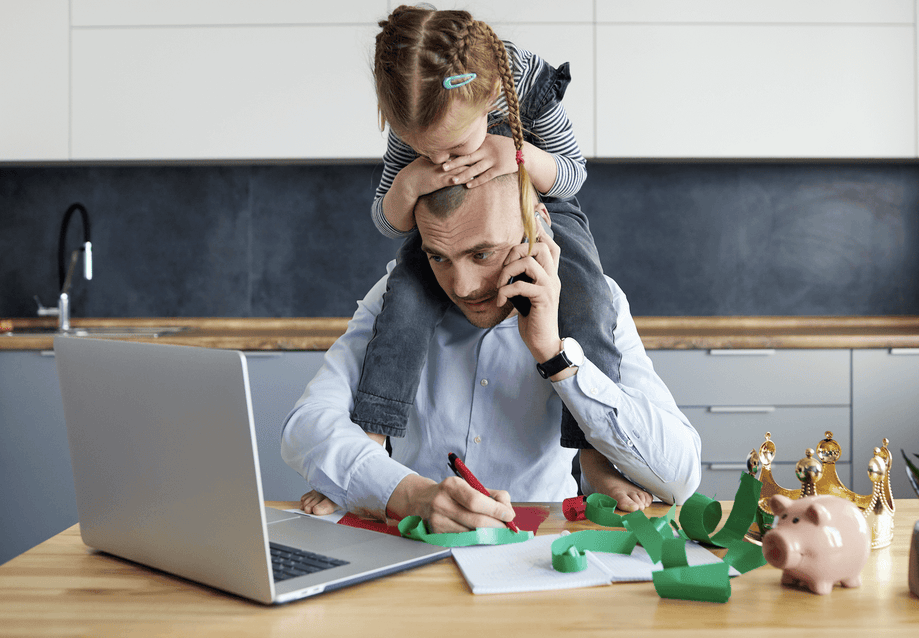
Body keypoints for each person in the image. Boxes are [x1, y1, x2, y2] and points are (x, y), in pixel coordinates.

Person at [281, 173, 702, 533]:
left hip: (544, 557)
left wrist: (556, 357)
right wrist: (407, 495)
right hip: (414, 551)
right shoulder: (397, 300)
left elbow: (680, 477)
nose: (461, 285)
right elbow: (306, 428)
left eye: (481, 253)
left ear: (535, 224)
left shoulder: (596, 301)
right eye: (438, 257)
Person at [353, 4, 617, 454]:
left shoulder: (527, 83)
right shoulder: (416, 110)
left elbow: (573, 173)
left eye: (451, 146)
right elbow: (388, 223)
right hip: (450, 227)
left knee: (587, 299)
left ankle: (595, 453)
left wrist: (516, 155)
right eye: (423, 150)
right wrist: (410, 181)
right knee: (405, 303)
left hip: (539, 205)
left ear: (491, 93)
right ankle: (372, 437)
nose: (439, 161)